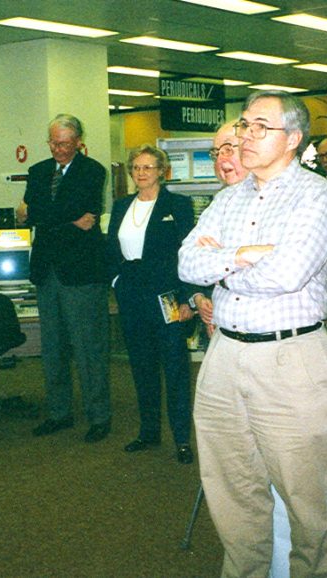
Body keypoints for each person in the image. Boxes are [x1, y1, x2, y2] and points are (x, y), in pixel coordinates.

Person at [178, 90, 327, 577]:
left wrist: (222, 264)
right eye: (244, 125)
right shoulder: (227, 198)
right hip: (224, 356)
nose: (246, 137)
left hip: (290, 357)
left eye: (260, 128)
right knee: (232, 493)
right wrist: (245, 255)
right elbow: (187, 263)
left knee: (306, 502)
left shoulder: (316, 195)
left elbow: (286, 273)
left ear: (292, 139)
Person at [18, 113, 112, 443]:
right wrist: (67, 219)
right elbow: (29, 216)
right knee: (53, 347)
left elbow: (83, 215)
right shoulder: (37, 171)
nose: (58, 149)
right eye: (53, 143)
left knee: (88, 348)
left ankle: (99, 417)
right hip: (47, 271)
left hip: (82, 273)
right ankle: (59, 413)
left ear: (78, 142)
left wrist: (42, 215)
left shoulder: (93, 170)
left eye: (65, 144)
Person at [106, 145, 195, 463]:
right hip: (132, 294)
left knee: (174, 367)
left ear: (161, 171)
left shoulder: (178, 205)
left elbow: (188, 253)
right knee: (142, 365)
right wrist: (116, 281)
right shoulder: (121, 206)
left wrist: (187, 298)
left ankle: (182, 439)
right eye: (136, 167)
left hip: (167, 295)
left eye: (148, 167)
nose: (141, 173)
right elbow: (111, 248)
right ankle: (149, 432)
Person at [189, 121, 250, 337]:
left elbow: (275, 271)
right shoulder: (220, 202)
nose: (220, 160)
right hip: (222, 324)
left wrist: (217, 258)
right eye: (216, 153)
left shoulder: (291, 197)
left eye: (228, 150)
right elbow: (188, 261)